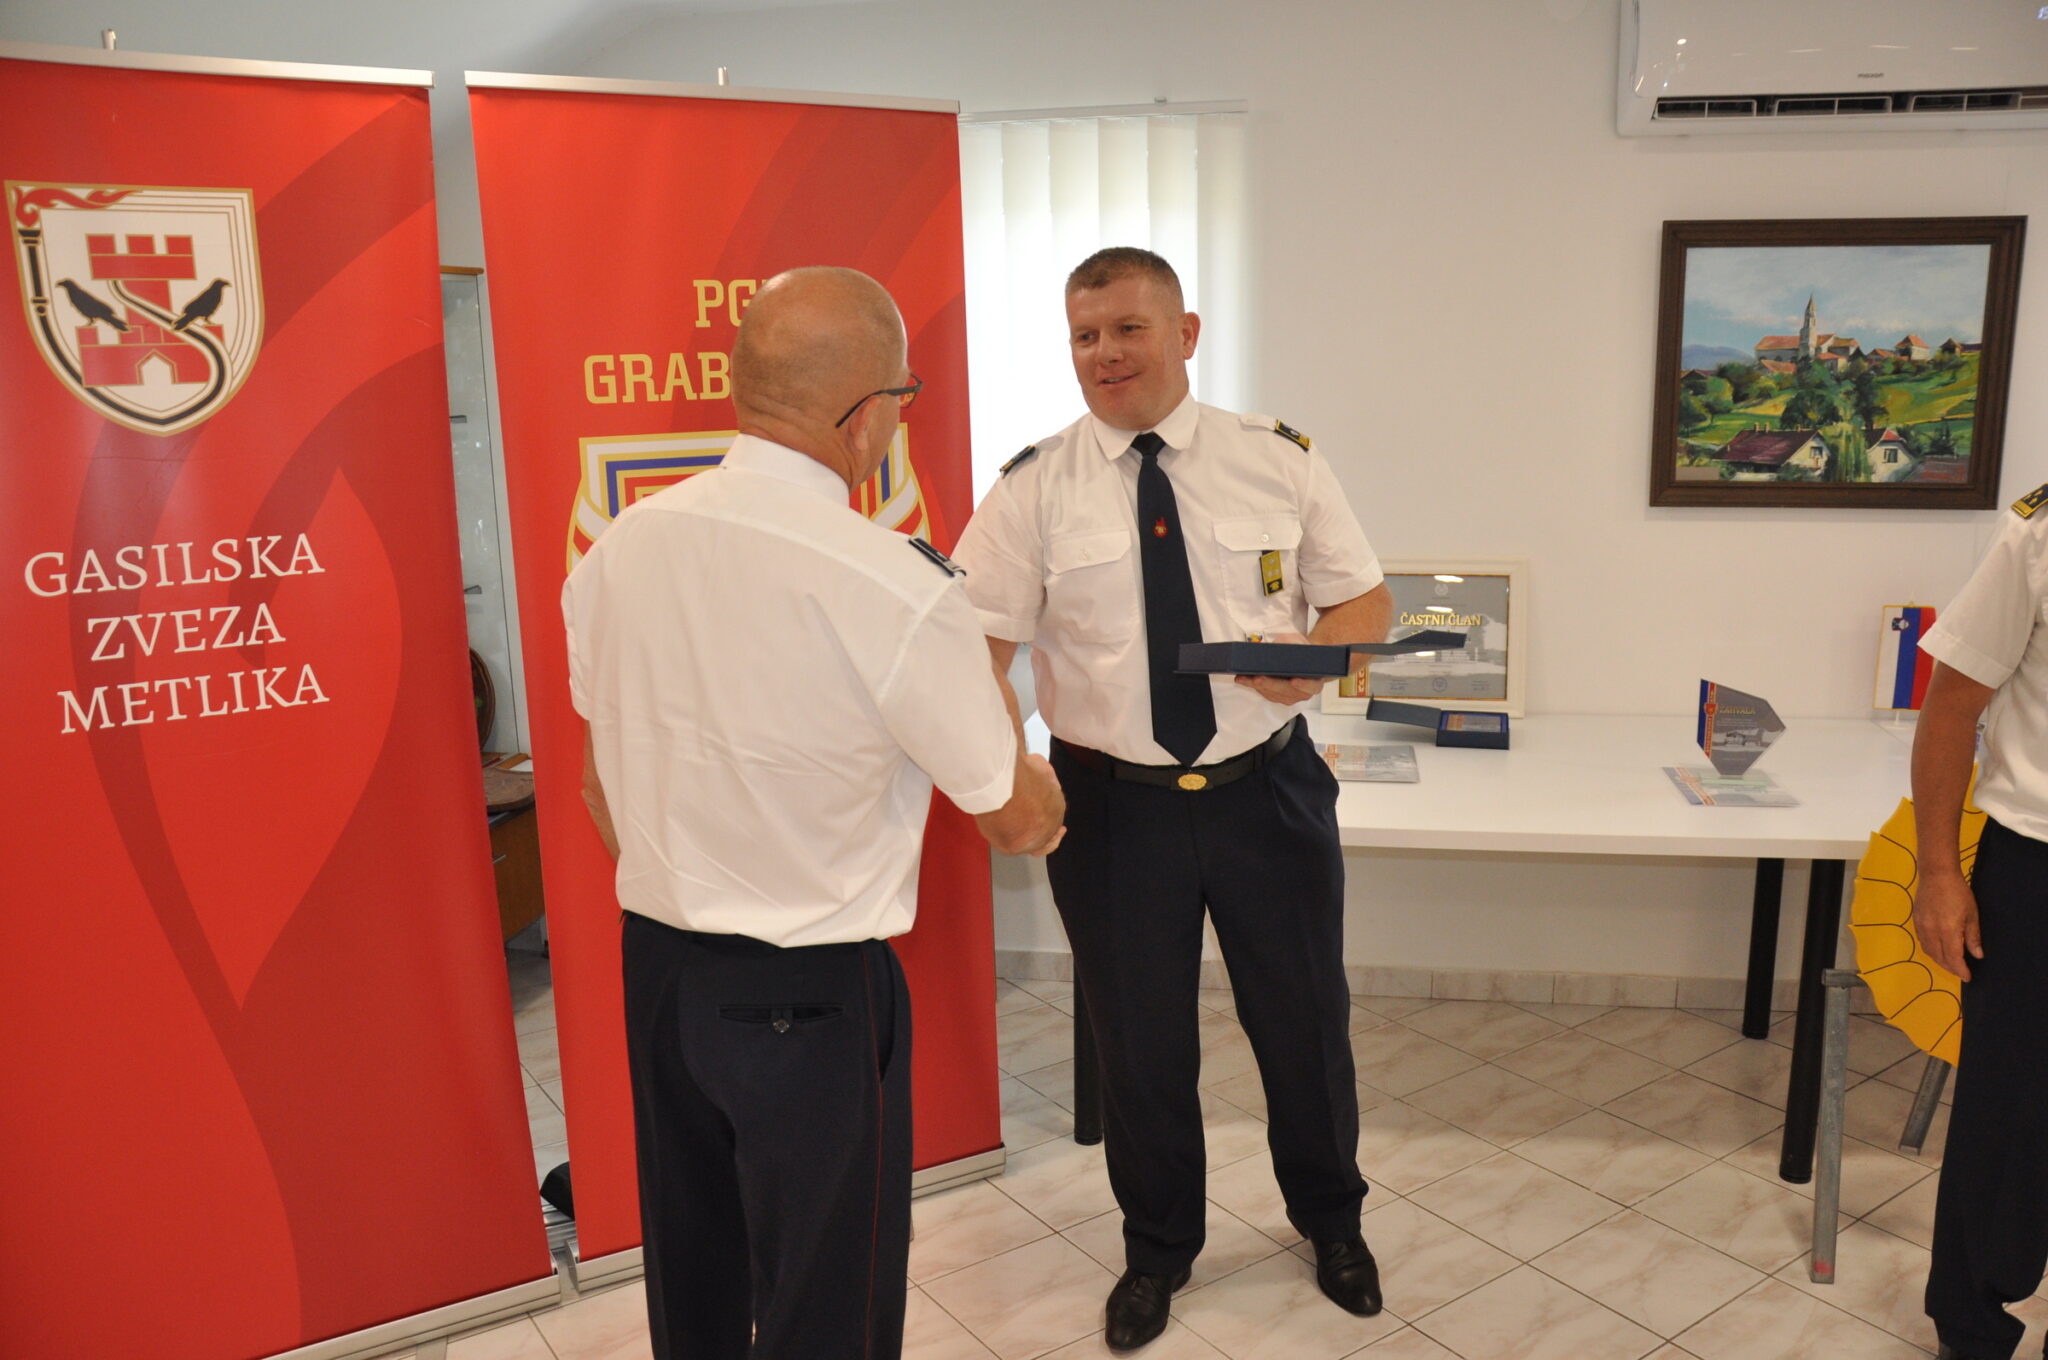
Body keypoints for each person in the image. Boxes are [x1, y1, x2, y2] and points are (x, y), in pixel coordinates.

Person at [566, 266, 1066, 1360]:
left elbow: (598, 785)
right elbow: (1017, 821)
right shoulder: (892, 583)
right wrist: (1011, 723)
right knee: (824, 1302)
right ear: (870, 413)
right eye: (904, 397)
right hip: (809, 993)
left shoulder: (620, 548)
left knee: (693, 1274)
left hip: (661, 972)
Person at [953, 246, 1393, 1352]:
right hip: (1112, 812)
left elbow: (1365, 603)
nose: (1103, 353)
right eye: (1083, 335)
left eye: (1127, 329)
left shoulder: (1274, 459)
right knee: (1138, 1045)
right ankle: (1157, 1249)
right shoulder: (1031, 486)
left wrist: (1317, 662)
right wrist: (1012, 772)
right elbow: (973, 651)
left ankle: (1331, 1222)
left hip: (1266, 793)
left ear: (1184, 334)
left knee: (1303, 1023)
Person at [1914, 482, 2048, 1360]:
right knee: (2008, 1116)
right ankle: (1971, 1329)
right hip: (2038, 863)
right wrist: (1938, 871)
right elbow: (1952, 706)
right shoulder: (2041, 534)